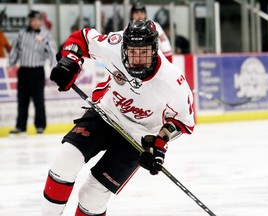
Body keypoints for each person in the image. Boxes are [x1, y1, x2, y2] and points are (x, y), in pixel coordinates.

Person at [41, 19, 195, 215]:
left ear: (155, 50)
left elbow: (184, 122)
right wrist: (71, 60)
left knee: (92, 196)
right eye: (133, 52)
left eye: (144, 52)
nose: (138, 59)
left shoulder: (173, 82)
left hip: (136, 139)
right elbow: (82, 39)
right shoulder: (116, 43)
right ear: (124, 48)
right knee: (67, 158)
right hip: (105, 114)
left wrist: (159, 143)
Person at [8, 10, 56, 136]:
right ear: (29, 21)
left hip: (37, 71)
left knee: (38, 99)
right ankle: (20, 126)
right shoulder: (21, 33)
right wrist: (11, 63)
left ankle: (40, 126)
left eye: (37, 20)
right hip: (23, 70)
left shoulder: (46, 35)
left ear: (40, 21)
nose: (35, 22)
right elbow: (15, 49)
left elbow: (52, 51)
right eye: (33, 20)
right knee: (22, 100)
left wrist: (54, 66)